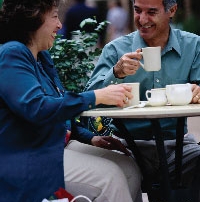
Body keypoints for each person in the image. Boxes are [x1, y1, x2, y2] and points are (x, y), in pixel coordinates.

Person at [0, 0, 143, 202]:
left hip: (53, 144)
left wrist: (90, 138)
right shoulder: (11, 54)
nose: (59, 25)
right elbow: (37, 108)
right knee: (111, 178)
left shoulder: (42, 57)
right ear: (34, 17)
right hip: (28, 156)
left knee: (129, 167)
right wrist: (97, 96)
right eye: (55, 16)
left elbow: (57, 110)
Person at [85, 0, 200, 190]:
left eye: (151, 12)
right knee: (112, 174)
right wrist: (116, 73)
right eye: (137, 11)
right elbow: (89, 99)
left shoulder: (193, 46)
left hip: (178, 146)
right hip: (125, 148)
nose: (142, 19)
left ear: (171, 10)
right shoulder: (116, 50)